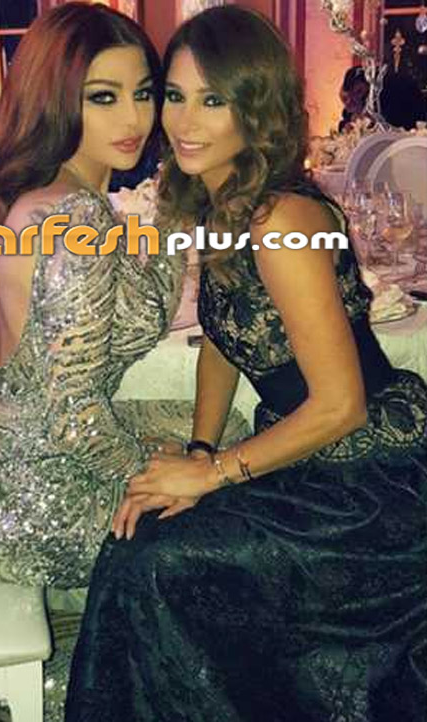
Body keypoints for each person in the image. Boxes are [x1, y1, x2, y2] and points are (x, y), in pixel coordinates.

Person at [65, 7, 427, 721]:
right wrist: (201, 447)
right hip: (307, 459)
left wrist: (213, 474)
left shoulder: (280, 219)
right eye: (175, 95)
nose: (184, 120)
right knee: (144, 539)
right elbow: (221, 342)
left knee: (154, 562)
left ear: (254, 107)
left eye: (213, 99)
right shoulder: (223, 202)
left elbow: (342, 405)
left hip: (368, 480)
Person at [0, 4, 247, 719]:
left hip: (2, 450)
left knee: (219, 441)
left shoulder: (62, 195)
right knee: (231, 509)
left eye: (144, 92)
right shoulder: (73, 217)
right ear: (56, 99)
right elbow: (72, 413)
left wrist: (176, 202)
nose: (133, 117)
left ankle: (106, 629)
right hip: (18, 491)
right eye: (103, 97)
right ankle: (75, 686)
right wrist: (160, 472)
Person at [338, 66, 370, 133]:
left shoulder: (377, 108)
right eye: (351, 92)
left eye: (359, 91)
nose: (355, 97)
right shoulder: (349, 113)